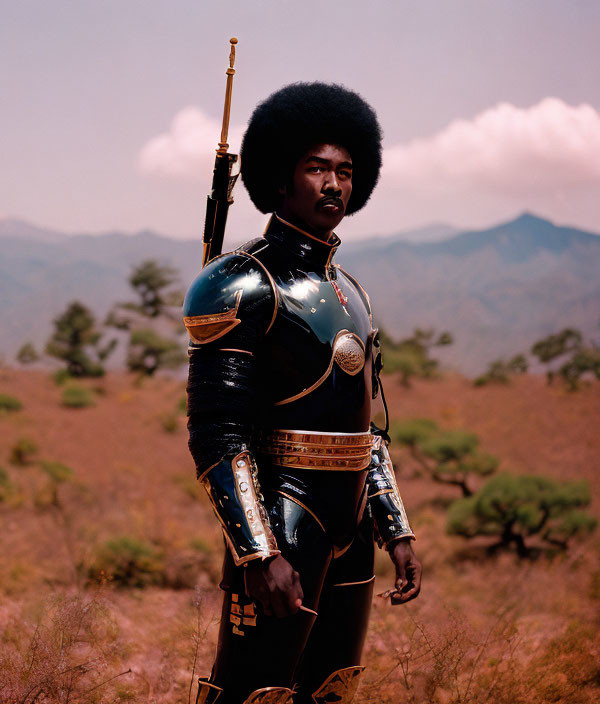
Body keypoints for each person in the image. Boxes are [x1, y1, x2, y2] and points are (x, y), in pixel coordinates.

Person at [183, 82, 422, 704]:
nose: (334, 185)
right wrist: (259, 552)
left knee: (334, 691)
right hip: (284, 519)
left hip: (354, 528)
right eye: (317, 168)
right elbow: (217, 434)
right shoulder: (238, 283)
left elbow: (365, 430)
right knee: (254, 692)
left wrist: (396, 528)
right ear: (280, 176)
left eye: (346, 170)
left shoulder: (353, 292)